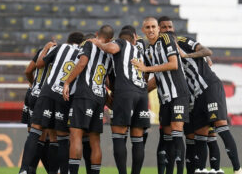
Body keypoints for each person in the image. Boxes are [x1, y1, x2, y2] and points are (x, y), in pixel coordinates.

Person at [158, 16, 242, 174]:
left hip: (209, 87)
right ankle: (203, 170)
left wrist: (187, 55)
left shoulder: (183, 41)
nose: (168, 29)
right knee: (200, 135)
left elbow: (207, 51)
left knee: (220, 127)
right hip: (195, 97)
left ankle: (238, 169)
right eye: (164, 27)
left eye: (170, 26)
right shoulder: (162, 52)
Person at [19, 32, 84, 174]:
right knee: (59, 138)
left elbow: (36, 65)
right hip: (65, 96)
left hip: (43, 92)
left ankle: (25, 170)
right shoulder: (84, 53)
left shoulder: (57, 48)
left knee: (35, 132)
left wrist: (47, 47)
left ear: (67, 40)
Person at [131, 17, 190, 174]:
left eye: (153, 27)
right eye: (147, 27)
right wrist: (140, 90)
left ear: (158, 29)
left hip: (178, 93)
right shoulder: (148, 50)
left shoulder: (166, 38)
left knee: (177, 132)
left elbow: (173, 64)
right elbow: (152, 76)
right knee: (167, 137)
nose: (151, 30)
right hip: (164, 97)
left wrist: (146, 69)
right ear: (143, 30)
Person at [89, 28, 150, 174]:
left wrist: (99, 43)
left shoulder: (121, 43)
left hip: (126, 93)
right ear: (135, 38)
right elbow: (147, 74)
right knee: (137, 139)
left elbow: (111, 48)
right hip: (142, 94)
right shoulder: (139, 51)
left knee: (118, 135)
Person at [63, 25, 114, 174]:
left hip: (85, 94)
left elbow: (82, 63)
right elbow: (108, 81)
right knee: (95, 140)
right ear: (110, 39)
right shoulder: (109, 54)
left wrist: (67, 82)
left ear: (97, 34)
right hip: (100, 97)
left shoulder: (88, 44)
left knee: (76, 135)